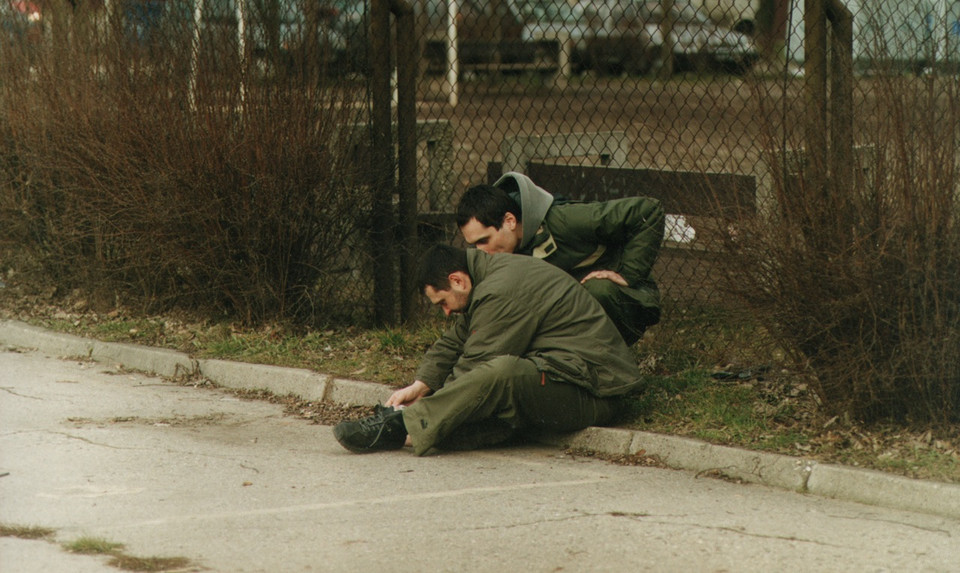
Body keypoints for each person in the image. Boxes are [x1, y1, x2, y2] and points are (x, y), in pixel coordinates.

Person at [333, 244, 644, 456]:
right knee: (482, 400)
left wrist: (417, 410)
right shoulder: (484, 279)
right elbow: (457, 339)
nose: (444, 311)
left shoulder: (500, 290)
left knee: (501, 373)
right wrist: (421, 384)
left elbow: (477, 368)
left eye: (442, 302)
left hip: (597, 393)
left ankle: (397, 426)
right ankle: (414, 432)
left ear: (457, 280)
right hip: (565, 378)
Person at [456, 172, 664, 345]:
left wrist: (628, 274)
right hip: (568, 315)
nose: (480, 251)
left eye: (484, 240)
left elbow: (648, 211)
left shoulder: (565, 221)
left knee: (599, 290)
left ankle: (612, 364)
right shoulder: (500, 255)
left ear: (509, 221)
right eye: (474, 244)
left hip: (622, 299)